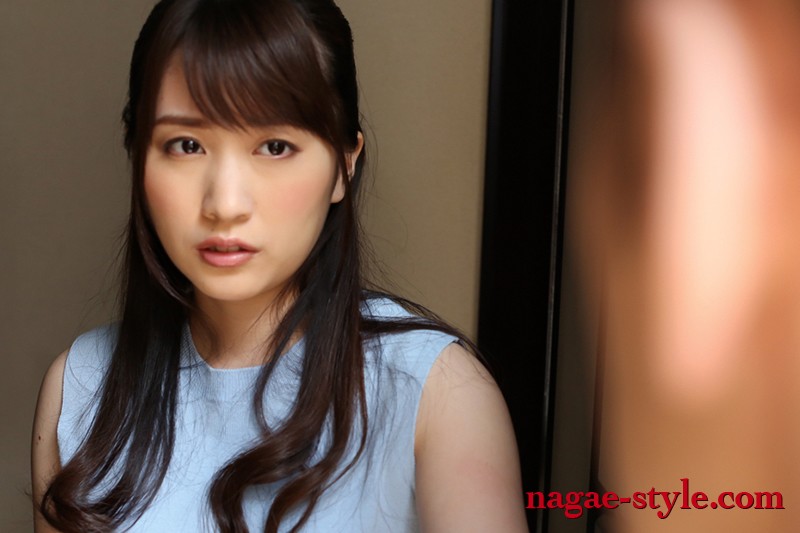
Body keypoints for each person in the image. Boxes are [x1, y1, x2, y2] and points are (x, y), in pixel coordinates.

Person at [30, 0, 526, 531]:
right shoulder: (82, 389)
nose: (225, 204)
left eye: (274, 146)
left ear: (344, 165)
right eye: (187, 145)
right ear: (139, 158)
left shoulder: (436, 394)